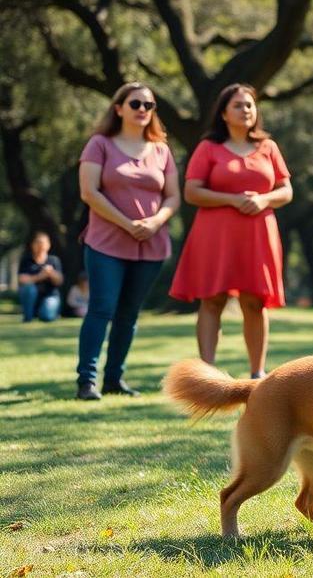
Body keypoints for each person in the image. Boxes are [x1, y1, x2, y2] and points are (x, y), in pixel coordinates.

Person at [170, 84, 293, 379]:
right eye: (238, 105)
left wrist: (263, 199)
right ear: (223, 113)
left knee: (255, 301)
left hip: (258, 235)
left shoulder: (269, 147)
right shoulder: (208, 148)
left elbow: (286, 190)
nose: (246, 110)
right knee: (213, 299)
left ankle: (257, 373)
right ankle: (207, 374)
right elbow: (191, 191)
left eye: (250, 105)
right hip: (216, 235)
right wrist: (233, 199)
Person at [77, 82, 180, 400]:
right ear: (118, 108)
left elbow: (174, 197)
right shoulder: (99, 145)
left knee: (129, 314)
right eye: (135, 103)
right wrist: (127, 223)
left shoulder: (162, 150)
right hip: (106, 243)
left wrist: (154, 222)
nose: (142, 110)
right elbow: (89, 192)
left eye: (148, 105)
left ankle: (113, 379)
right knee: (102, 309)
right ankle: (87, 381)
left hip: (150, 244)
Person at [17, 231, 63, 323]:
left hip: (50, 296)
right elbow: (21, 279)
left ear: (48, 245)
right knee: (28, 288)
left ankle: (48, 312)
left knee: (47, 317)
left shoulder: (53, 260)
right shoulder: (26, 260)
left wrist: (51, 273)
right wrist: (40, 276)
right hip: (32, 296)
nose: (40, 245)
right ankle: (28, 317)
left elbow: (59, 281)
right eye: (37, 242)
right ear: (32, 245)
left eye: (43, 243)